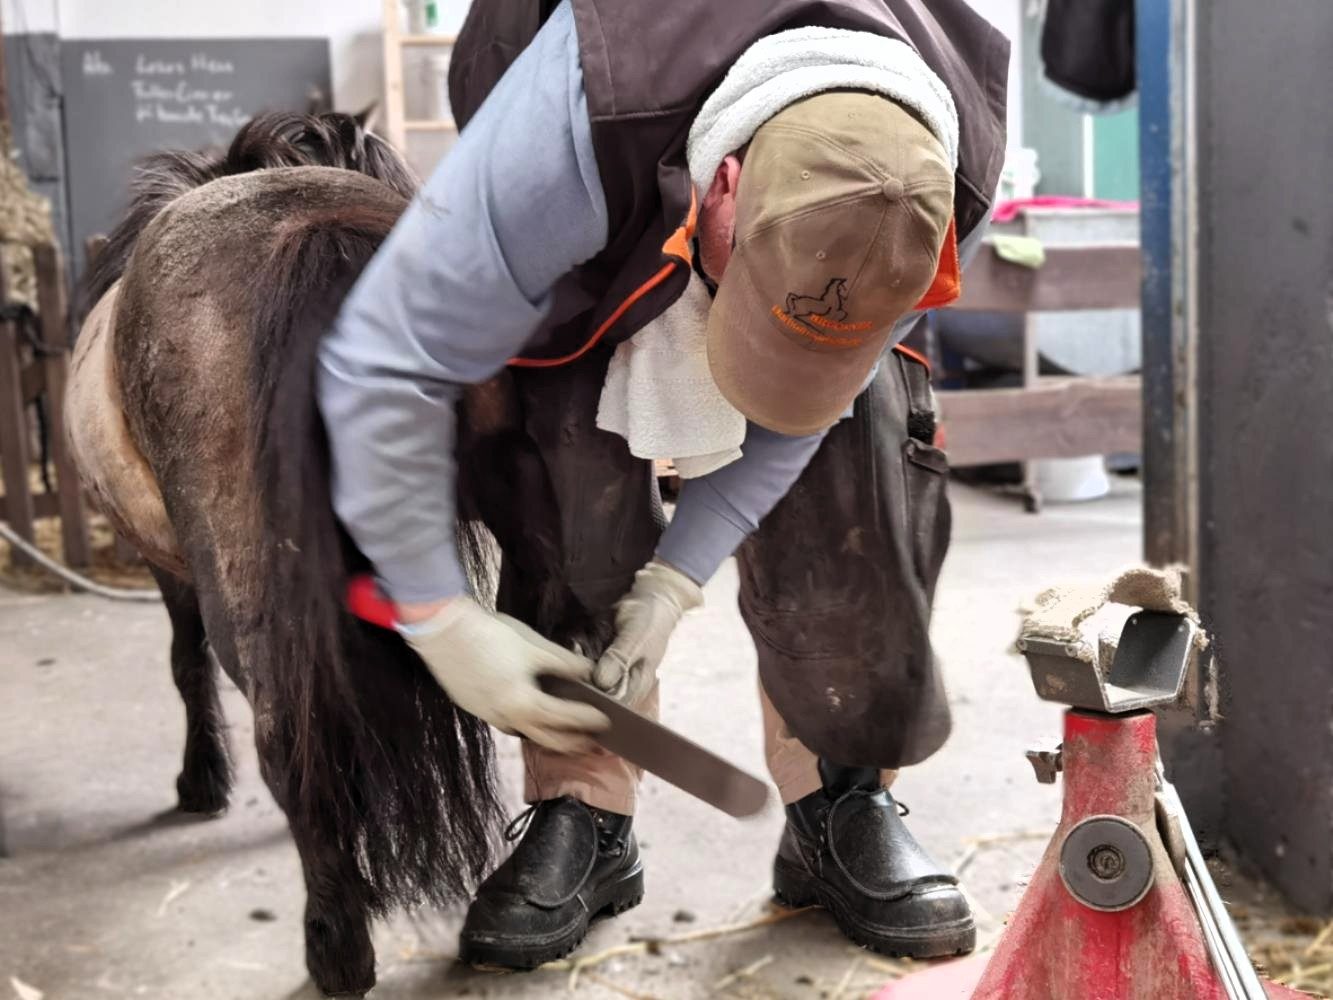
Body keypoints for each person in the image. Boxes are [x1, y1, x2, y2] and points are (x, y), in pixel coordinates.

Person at [317, 0, 1008, 970]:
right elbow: (379, 359)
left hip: (727, 170)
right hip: (602, 156)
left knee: (863, 433)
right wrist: (435, 610)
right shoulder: (562, 137)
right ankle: (581, 807)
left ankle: (837, 793)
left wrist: (673, 583)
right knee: (562, 458)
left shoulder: (947, 175)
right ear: (721, 186)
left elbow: (801, 409)